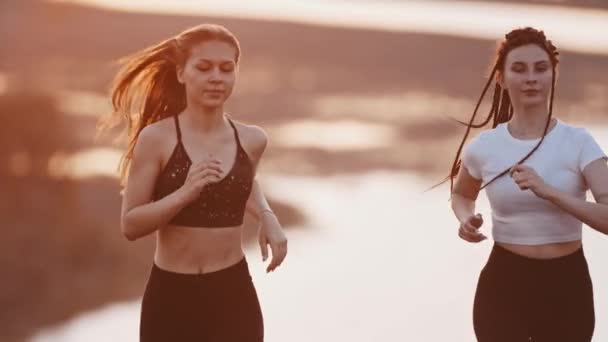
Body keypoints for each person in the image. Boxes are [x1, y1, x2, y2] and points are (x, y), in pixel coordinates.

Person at [100, 23, 288, 342]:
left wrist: (267, 216)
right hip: (171, 298)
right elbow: (131, 225)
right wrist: (184, 194)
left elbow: (241, 182)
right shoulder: (156, 139)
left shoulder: (252, 139)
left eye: (226, 69)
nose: (216, 77)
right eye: (204, 67)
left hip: (234, 297)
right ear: (181, 73)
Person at [447, 27, 608, 342]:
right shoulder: (485, 147)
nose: (531, 77)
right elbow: (461, 194)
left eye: (540, 68)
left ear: (553, 75)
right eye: (519, 69)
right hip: (503, 285)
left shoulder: (579, 143)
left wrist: (549, 192)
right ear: (501, 79)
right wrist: (466, 219)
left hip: (567, 286)